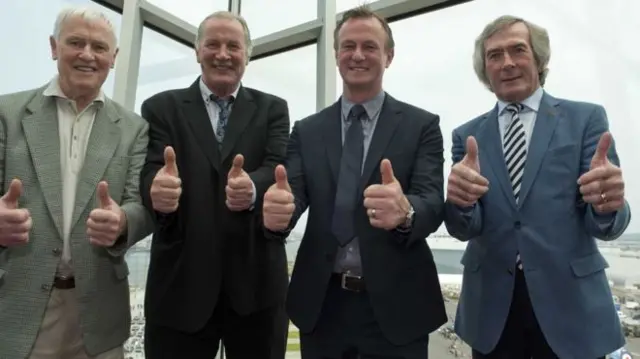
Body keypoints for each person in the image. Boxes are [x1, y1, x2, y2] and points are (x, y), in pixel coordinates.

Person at [262, 5, 447, 359]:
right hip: (322, 305)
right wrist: (278, 212)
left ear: (388, 56)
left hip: (397, 308)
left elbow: (432, 201)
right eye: (348, 46)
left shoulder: (421, 126)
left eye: (369, 46)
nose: (357, 55)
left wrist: (406, 211)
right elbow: (292, 196)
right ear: (336, 55)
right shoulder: (307, 130)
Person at [444, 15, 631, 359]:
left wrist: (609, 205)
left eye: (518, 50)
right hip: (493, 307)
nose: (507, 63)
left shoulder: (585, 119)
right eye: (494, 55)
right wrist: (458, 203)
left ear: (540, 60)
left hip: (569, 304)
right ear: (485, 70)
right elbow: (462, 227)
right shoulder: (467, 136)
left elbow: (604, 222)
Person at [0, 6, 153, 359]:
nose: (87, 54)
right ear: (54, 47)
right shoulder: (7, 115)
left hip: (99, 317)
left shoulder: (133, 128)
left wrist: (124, 221)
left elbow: (139, 205)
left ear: (113, 58)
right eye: (76, 43)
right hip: (18, 308)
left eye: (99, 47)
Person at [139, 11, 291, 359]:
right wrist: (156, 189)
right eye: (213, 44)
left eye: (233, 46)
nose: (223, 54)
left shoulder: (273, 110)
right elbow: (149, 171)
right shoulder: (160, 108)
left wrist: (252, 187)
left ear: (247, 55)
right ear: (197, 51)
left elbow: (278, 167)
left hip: (256, 293)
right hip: (180, 290)